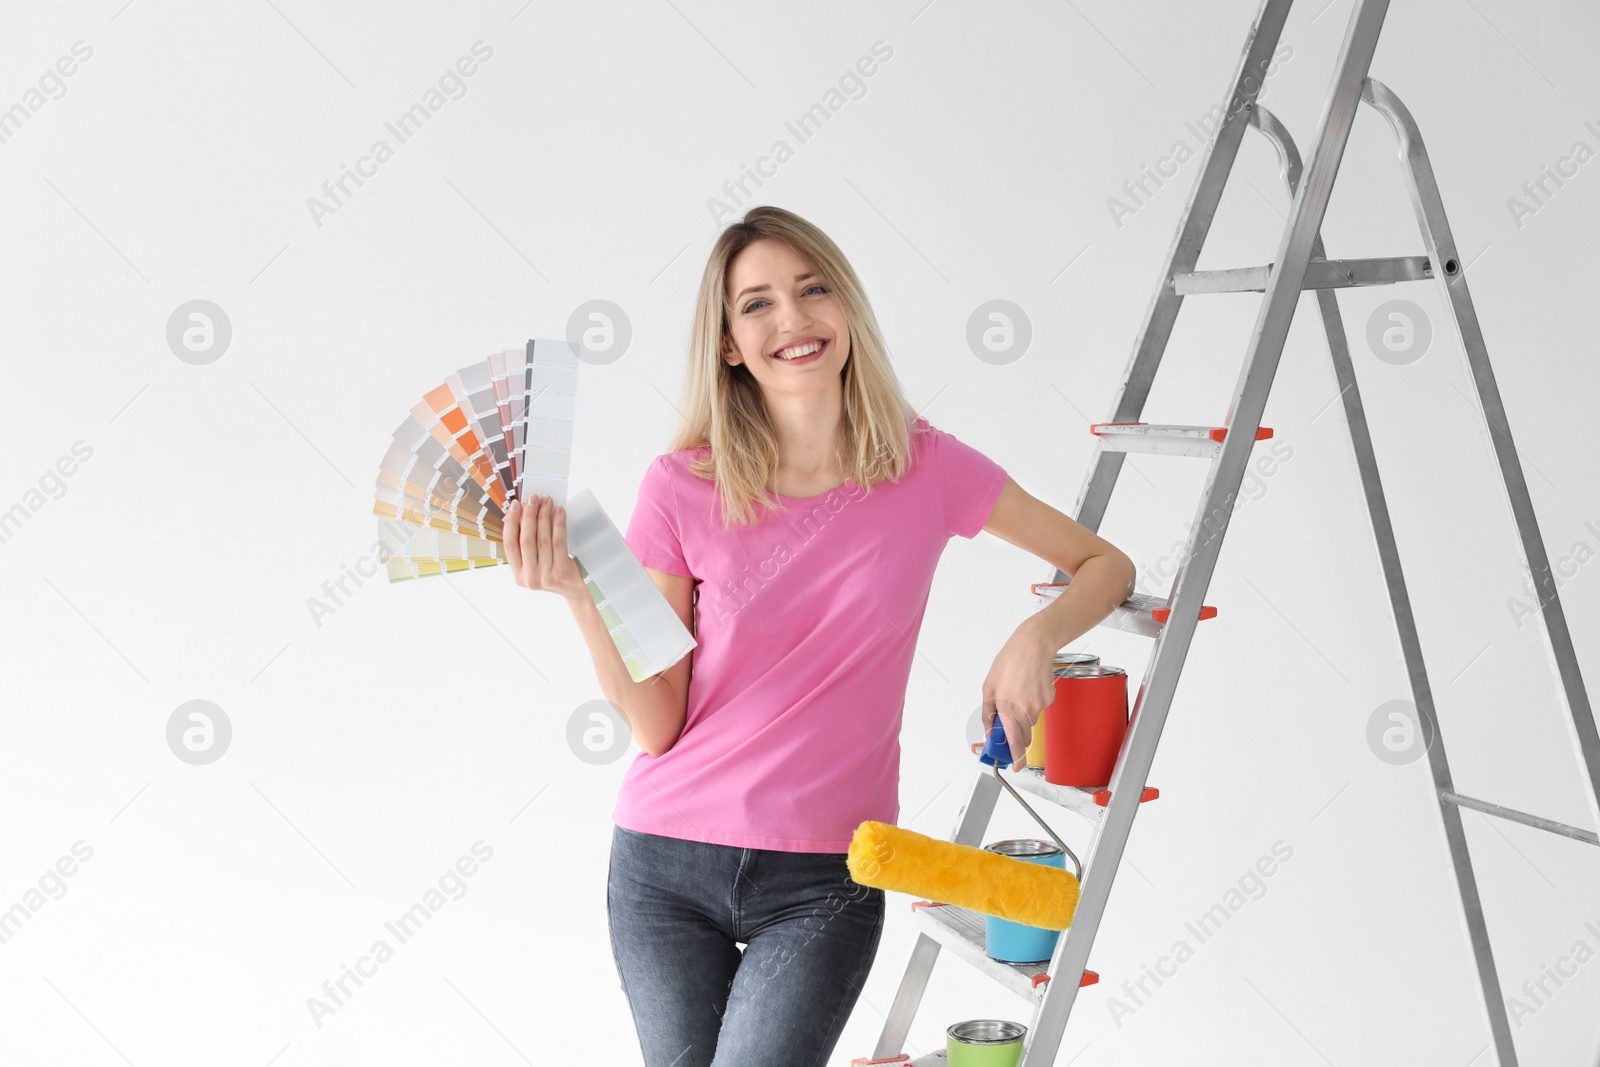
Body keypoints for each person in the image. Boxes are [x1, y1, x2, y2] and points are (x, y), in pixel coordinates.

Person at [501, 206, 1137, 1067]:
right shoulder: (679, 485)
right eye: (756, 304)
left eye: (813, 290)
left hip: (823, 878)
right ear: (727, 342)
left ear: (847, 310)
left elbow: (1104, 562)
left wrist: (1036, 634)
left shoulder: (928, 467)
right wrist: (580, 593)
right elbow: (657, 722)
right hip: (663, 865)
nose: (792, 319)